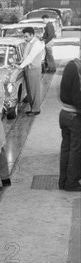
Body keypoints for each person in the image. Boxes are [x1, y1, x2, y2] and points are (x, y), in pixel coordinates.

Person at [58, 55, 81, 191]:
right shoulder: (79, 69)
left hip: (64, 114)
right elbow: (77, 98)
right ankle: (71, 183)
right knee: (75, 151)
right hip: (74, 116)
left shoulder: (71, 64)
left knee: (66, 149)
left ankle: (63, 182)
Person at [14, 27, 45, 115]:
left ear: (32, 35)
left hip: (34, 69)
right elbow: (25, 56)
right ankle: (33, 108)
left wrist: (21, 66)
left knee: (34, 90)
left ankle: (36, 109)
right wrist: (21, 63)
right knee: (30, 90)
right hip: (29, 68)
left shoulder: (37, 44)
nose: (25, 38)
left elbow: (31, 57)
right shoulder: (29, 43)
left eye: (26, 36)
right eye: (24, 36)